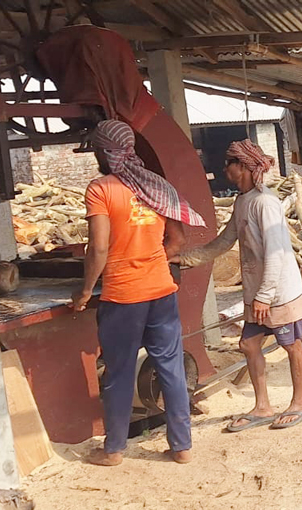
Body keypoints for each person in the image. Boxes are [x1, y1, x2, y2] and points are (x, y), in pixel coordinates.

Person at [71, 119, 206, 466]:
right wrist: (149, 260)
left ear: (103, 151)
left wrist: (85, 291)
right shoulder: (156, 186)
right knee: (170, 368)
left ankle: (114, 449)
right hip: (161, 291)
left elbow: (98, 249)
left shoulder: (100, 189)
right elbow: (177, 240)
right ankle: (182, 447)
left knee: (119, 372)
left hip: (122, 297)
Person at [175, 140, 302, 433]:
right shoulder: (243, 201)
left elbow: (275, 252)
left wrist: (263, 296)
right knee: (248, 344)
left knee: (290, 344)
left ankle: (299, 402)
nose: (225, 169)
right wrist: (184, 259)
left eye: (230, 164)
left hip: (277, 292)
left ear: (245, 167)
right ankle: (263, 406)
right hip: (258, 291)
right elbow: (225, 242)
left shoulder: (266, 203)